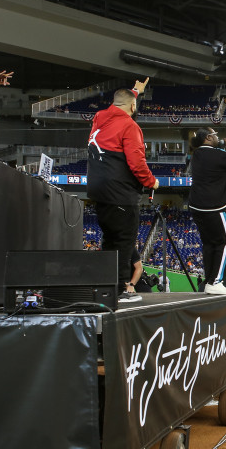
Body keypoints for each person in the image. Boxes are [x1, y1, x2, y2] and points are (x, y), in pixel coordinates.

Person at [86, 78, 159, 303]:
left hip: (99, 194)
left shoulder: (99, 118)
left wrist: (135, 92)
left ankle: (107, 289)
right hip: (121, 194)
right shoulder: (130, 126)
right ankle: (121, 289)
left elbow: (119, 106)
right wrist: (152, 182)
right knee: (125, 243)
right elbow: (137, 163)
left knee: (110, 241)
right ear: (133, 107)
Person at [188, 128, 226, 295]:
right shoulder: (215, 154)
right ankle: (216, 281)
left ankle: (209, 281)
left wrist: (222, 147)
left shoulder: (197, 154)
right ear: (208, 137)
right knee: (225, 242)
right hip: (215, 207)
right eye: (215, 135)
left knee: (209, 244)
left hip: (197, 207)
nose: (218, 137)